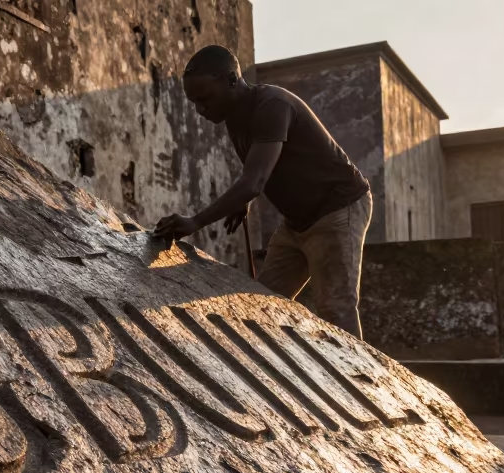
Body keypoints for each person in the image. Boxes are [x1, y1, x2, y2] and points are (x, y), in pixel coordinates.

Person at [153, 45, 372, 339]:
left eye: (205, 99)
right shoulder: (233, 115)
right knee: (262, 304)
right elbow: (258, 171)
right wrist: (244, 201)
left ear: (232, 80)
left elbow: (254, 180)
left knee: (336, 309)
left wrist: (195, 221)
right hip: (296, 223)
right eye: (194, 103)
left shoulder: (272, 105)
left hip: (337, 210)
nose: (200, 110)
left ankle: (357, 383)